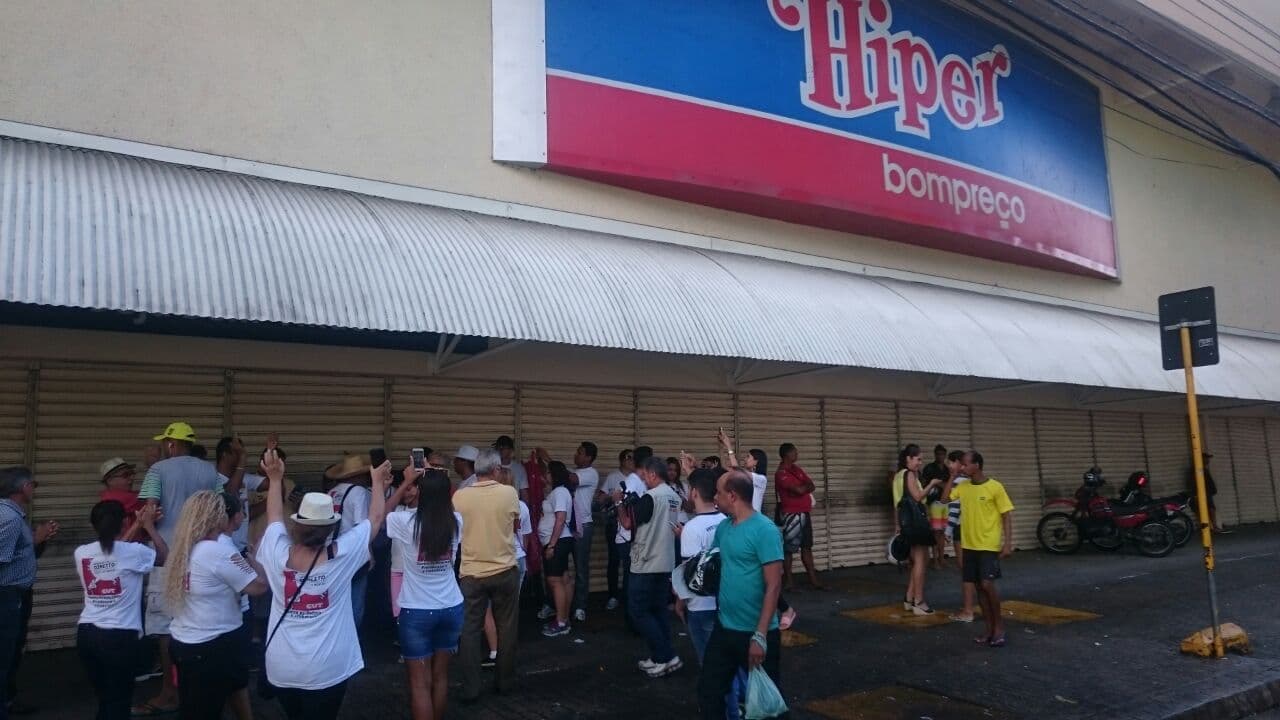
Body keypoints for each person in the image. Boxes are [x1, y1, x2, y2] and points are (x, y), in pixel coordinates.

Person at [135, 422, 221, 717]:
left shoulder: (158, 470)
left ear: (172, 444)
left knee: (164, 627)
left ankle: (169, 692)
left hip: (166, 555)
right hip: (201, 554)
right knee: (199, 619)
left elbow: (150, 510)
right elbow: (220, 509)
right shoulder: (210, 472)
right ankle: (198, 685)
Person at [165, 490, 269, 720]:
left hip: (185, 641)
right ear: (218, 517)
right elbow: (259, 586)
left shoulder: (185, 546)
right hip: (212, 647)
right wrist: (256, 560)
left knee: (193, 709)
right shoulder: (217, 551)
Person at [697, 470, 784, 719]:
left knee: (767, 705)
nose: (714, 497)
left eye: (719, 492)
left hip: (755, 632)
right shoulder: (724, 528)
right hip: (725, 629)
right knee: (709, 691)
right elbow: (711, 565)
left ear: (732, 496)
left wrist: (760, 636)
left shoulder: (764, 530)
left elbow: (774, 586)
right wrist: (683, 592)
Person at [76, 501, 166, 720]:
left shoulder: (81, 553)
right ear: (124, 522)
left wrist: (136, 525)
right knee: (119, 700)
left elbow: (114, 555)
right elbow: (164, 557)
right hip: (119, 637)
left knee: (105, 697)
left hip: (87, 634)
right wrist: (149, 526)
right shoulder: (135, 552)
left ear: (92, 525)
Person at [385, 465, 463, 720]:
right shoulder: (457, 521)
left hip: (417, 611)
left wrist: (406, 481)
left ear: (421, 493)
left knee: (419, 683)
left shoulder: (405, 522)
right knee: (441, 678)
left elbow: (379, 514)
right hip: (451, 607)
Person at [451, 448, 520, 701]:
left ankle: (470, 689)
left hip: (471, 573)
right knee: (507, 627)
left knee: (469, 630)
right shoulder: (509, 493)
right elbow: (514, 524)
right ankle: (505, 683)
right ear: (496, 470)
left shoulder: (459, 496)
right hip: (504, 570)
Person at [673, 469, 733, 708]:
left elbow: (691, 574)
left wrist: (679, 601)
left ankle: (721, 708)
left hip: (700, 606)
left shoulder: (692, 528)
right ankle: (736, 705)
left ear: (694, 492)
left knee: (709, 665)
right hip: (725, 602)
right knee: (728, 661)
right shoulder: (726, 521)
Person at [0, 467, 57, 719]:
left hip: (16, 593)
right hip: (7, 595)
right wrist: (35, 540)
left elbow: (19, 554)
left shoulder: (14, 516)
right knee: (5, 653)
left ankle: (8, 699)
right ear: (23, 488)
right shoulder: (10, 519)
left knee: (11, 651)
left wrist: (38, 540)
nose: (35, 489)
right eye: (33, 484)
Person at [942, 451, 1014, 647]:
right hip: (969, 544)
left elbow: (1006, 515)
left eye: (965, 465)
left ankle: (999, 627)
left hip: (988, 545)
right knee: (979, 588)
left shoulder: (995, 487)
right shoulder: (963, 487)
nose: (962, 467)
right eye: (961, 465)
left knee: (987, 584)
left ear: (977, 465)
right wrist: (952, 476)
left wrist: (1007, 544)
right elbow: (944, 498)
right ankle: (989, 629)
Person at [622, 456, 682, 678]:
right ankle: (660, 656)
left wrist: (620, 504)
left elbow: (629, 523)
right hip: (665, 560)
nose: (644, 479)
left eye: (645, 475)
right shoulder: (674, 496)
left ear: (653, 475)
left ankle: (665, 655)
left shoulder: (651, 497)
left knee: (638, 611)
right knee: (658, 610)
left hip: (646, 561)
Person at [325, 454, 374, 628]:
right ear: (359, 475)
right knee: (355, 601)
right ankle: (353, 640)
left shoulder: (332, 492)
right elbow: (362, 528)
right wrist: (369, 554)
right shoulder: (359, 492)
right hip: (351, 553)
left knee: (336, 600)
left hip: (329, 553)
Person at [893, 444, 941, 615]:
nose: (920, 463)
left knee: (916, 561)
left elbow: (897, 504)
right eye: (918, 459)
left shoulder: (898, 476)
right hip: (915, 524)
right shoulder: (910, 475)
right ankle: (919, 601)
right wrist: (932, 484)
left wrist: (898, 526)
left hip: (906, 523)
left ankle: (909, 597)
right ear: (908, 458)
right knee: (921, 560)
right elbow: (918, 496)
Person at [775, 442, 824, 590]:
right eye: (794, 452)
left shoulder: (796, 469)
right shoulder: (781, 473)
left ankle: (813, 579)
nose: (797, 455)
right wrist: (802, 488)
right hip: (791, 514)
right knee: (789, 548)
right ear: (787, 455)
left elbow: (810, 485)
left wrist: (803, 488)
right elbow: (798, 489)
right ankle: (789, 580)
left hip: (804, 512)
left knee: (807, 546)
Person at [538, 462, 576, 637]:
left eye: (547, 472)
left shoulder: (560, 492)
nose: (545, 475)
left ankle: (560, 622)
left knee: (555, 581)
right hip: (560, 540)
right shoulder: (558, 492)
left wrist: (551, 545)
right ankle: (564, 618)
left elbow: (560, 518)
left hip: (557, 541)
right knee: (564, 578)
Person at [598, 449, 635, 611]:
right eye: (628, 458)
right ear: (621, 460)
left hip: (633, 522)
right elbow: (600, 497)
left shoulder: (639, 478)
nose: (631, 460)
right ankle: (613, 595)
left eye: (633, 458)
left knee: (631, 561)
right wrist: (612, 497)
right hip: (615, 522)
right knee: (614, 559)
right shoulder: (613, 477)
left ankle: (629, 595)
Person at [943, 450, 977, 623]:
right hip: (971, 528)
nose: (949, 466)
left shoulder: (959, 481)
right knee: (973, 570)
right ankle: (975, 606)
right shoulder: (970, 481)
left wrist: (948, 530)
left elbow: (953, 507)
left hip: (960, 528)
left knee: (965, 570)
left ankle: (968, 610)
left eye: (951, 462)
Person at [569, 442, 599, 622]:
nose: (576, 455)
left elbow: (571, 479)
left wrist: (549, 460)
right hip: (567, 525)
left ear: (588, 457)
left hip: (583, 527)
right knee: (562, 569)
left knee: (581, 567)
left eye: (579, 453)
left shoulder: (590, 473)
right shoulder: (574, 471)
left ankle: (580, 606)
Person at [98, 458, 143, 536]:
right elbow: (149, 499)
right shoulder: (115, 499)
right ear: (109, 480)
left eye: (131, 473)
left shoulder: (106, 495)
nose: (131, 478)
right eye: (125, 475)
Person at [923, 444, 950, 568]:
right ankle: (934, 560)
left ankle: (941, 557)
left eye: (942, 454)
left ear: (945, 455)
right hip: (934, 503)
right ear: (935, 455)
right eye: (938, 454)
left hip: (945, 503)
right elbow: (925, 484)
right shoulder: (929, 468)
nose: (940, 456)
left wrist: (942, 485)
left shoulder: (947, 469)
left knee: (942, 531)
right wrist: (940, 485)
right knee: (935, 531)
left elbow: (949, 485)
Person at [1198, 452, 1230, 534]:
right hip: (1204, 493)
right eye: (1206, 458)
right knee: (1210, 509)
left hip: (1207, 493)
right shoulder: (1199, 469)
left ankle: (1211, 527)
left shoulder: (1203, 469)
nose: (1208, 460)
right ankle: (1213, 527)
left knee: (1210, 509)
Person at [494, 436, 530, 503]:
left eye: (503, 448)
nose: (500, 450)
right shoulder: (491, 467)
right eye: (498, 448)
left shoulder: (519, 468)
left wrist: (525, 509)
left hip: (513, 505)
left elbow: (524, 492)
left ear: (511, 450)